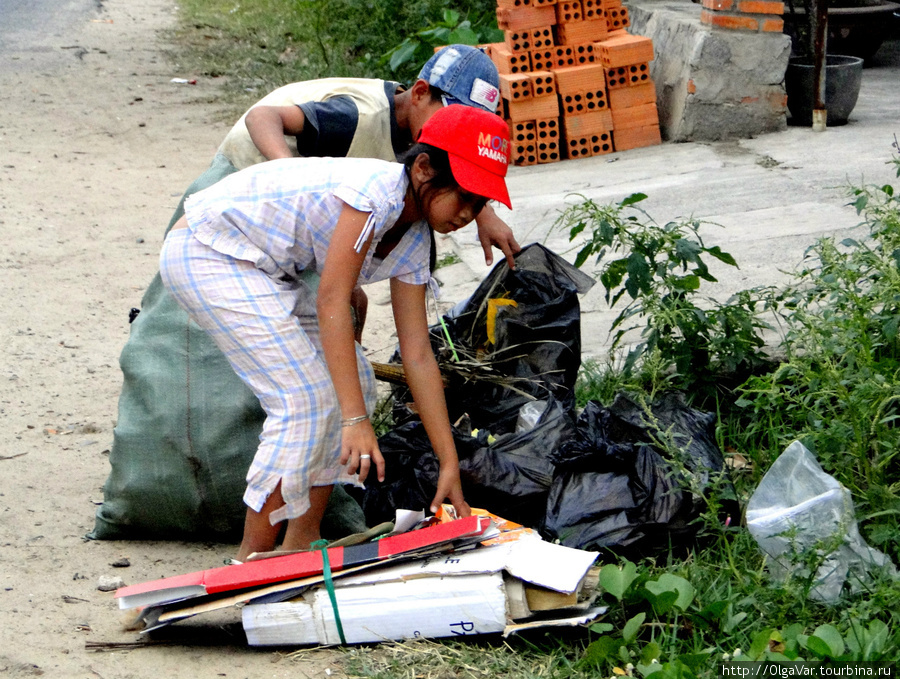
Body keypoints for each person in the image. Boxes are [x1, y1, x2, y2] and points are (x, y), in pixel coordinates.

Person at [159, 104, 512, 560]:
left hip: (263, 268)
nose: (469, 213)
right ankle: (249, 560)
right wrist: (355, 422)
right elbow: (331, 301)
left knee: (358, 385)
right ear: (423, 168)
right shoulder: (375, 195)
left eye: (480, 203)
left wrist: (448, 463)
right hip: (207, 250)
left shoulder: (414, 237)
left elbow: (418, 353)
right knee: (304, 399)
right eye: (464, 196)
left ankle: (299, 548)